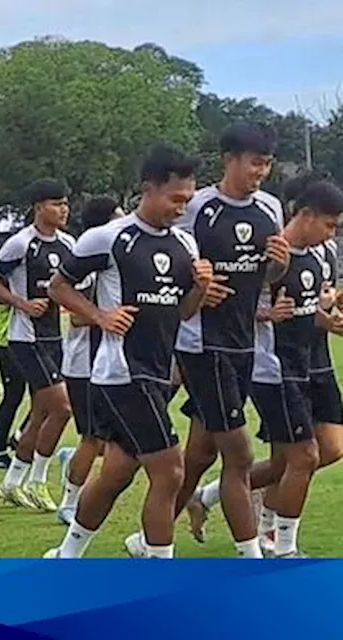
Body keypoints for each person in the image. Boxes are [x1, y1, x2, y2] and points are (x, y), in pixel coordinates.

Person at [127, 123, 289, 559]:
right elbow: (164, 264)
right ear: (230, 160)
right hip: (203, 345)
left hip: (245, 342)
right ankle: (251, 558)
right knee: (238, 457)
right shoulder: (196, 207)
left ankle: (146, 542)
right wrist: (196, 291)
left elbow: (265, 278)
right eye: (255, 162)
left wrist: (277, 266)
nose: (262, 171)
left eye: (267, 163)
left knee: (199, 455)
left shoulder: (270, 208)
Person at [44, 143, 212, 558]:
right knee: (171, 472)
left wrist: (201, 288)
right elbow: (58, 287)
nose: (181, 207)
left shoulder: (186, 245)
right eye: (176, 198)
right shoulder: (107, 238)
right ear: (148, 189)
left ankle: (67, 555)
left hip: (157, 373)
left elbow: (184, 313)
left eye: (188, 200)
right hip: (122, 372)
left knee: (117, 472)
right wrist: (100, 315)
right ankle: (158, 572)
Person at [188, 180, 343, 557]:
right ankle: (281, 544)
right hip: (276, 366)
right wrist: (267, 314)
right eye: (328, 223)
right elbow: (242, 304)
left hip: (316, 362)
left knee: (326, 450)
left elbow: (315, 305)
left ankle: (206, 496)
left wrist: (330, 316)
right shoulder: (269, 252)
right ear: (304, 215)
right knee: (302, 457)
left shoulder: (327, 251)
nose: (332, 232)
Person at [0, 179, 76, 511]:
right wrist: (20, 303)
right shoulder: (20, 244)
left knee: (39, 414)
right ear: (38, 208)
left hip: (54, 337)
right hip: (26, 339)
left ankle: (11, 484)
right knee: (63, 408)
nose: (63, 209)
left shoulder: (68, 244)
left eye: (65, 203)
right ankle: (37, 481)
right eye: (56, 204)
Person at [54, 197, 126, 525]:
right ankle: (68, 503)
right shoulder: (87, 266)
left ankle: (76, 467)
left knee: (110, 437)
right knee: (94, 437)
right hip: (84, 363)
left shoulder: (114, 262)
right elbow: (77, 318)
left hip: (106, 362)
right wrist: (102, 316)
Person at [0, 302, 28, 469]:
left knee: (48, 395)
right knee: (13, 396)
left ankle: (20, 436)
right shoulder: (5, 276)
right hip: (7, 340)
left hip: (32, 338)